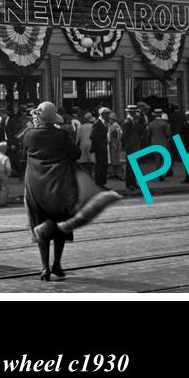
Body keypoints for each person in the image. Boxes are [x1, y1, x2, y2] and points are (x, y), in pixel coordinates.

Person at [23, 102, 123, 281]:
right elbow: (75, 154)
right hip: (58, 183)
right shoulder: (61, 135)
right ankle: (57, 264)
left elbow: (25, 155)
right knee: (60, 224)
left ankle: (44, 267)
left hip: (35, 185)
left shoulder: (29, 134)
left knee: (40, 223)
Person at [147, 109, 173, 181]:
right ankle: (164, 173)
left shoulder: (151, 124)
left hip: (154, 143)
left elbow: (149, 135)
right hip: (164, 143)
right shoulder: (164, 124)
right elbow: (169, 133)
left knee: (157, 160)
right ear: (161, 114)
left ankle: (159, 174)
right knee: (165, 159)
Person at [91, 107, 111, 187]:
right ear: (103, 114)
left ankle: (102, 183)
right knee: (100, 166)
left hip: (103, 148)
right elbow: (93, 135)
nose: (108, 116)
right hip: (100, 149)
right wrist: (100, 145)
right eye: (107, 114)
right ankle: (99, 183)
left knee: (103, 165)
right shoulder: (97, 123)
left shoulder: (104, 123)